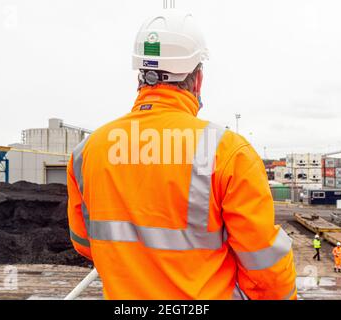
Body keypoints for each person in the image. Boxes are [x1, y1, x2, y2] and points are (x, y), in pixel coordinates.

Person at [66, 11, 296, 300]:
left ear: (140, 77)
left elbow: (85, 242)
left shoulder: (86, 152)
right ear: (197, 79)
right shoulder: (228, 151)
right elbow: (265, 266)